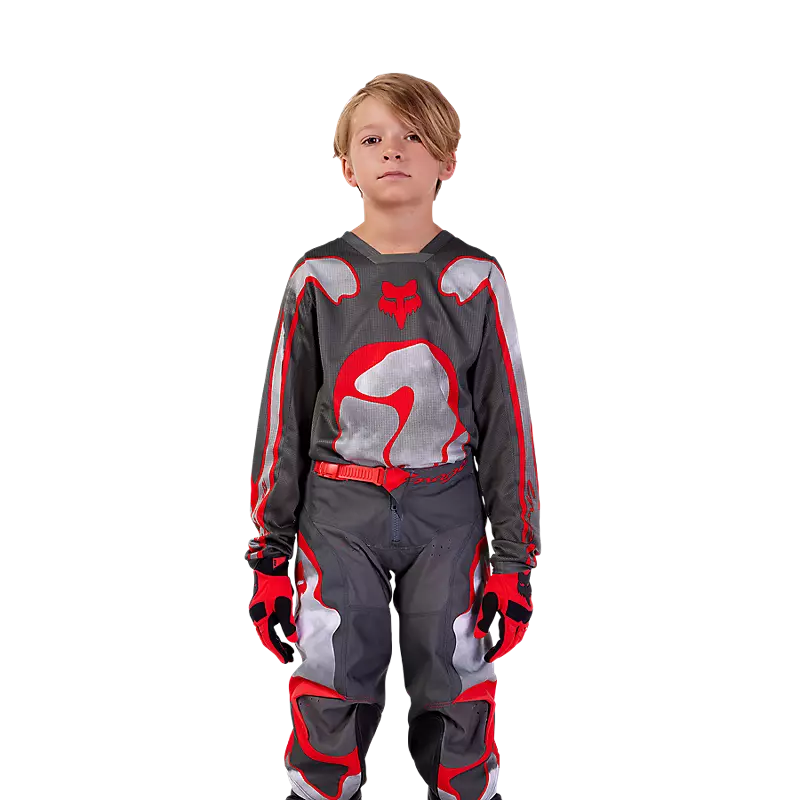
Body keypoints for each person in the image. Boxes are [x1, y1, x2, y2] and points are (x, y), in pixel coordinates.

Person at [244, 71, 542, 800]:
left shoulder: (475, 278)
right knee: (331, 675)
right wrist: (269, 554)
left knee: (456, 678)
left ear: (449, 160)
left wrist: (515, 558)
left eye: (413, 136)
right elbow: (283, 415)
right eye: (372, 138)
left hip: (449, 513)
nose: (393, 150)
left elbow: (507, 419)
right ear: (346, 165)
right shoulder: (319, 277)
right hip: (337, 513)